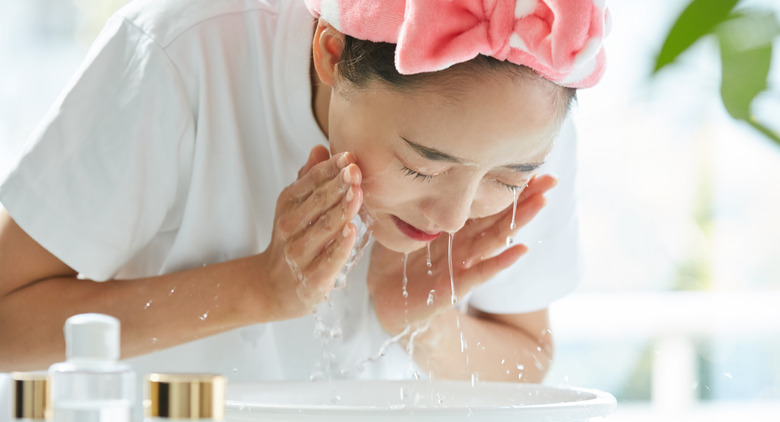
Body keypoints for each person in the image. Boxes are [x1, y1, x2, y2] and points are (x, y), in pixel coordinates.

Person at [0, 0, 607, 387]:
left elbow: (527, 359)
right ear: (330, 52)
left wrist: (423, 326)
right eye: (422, 167)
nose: (452, 218)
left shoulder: (526, 113)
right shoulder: (184, 52)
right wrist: (258, 289)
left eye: (508, 179)